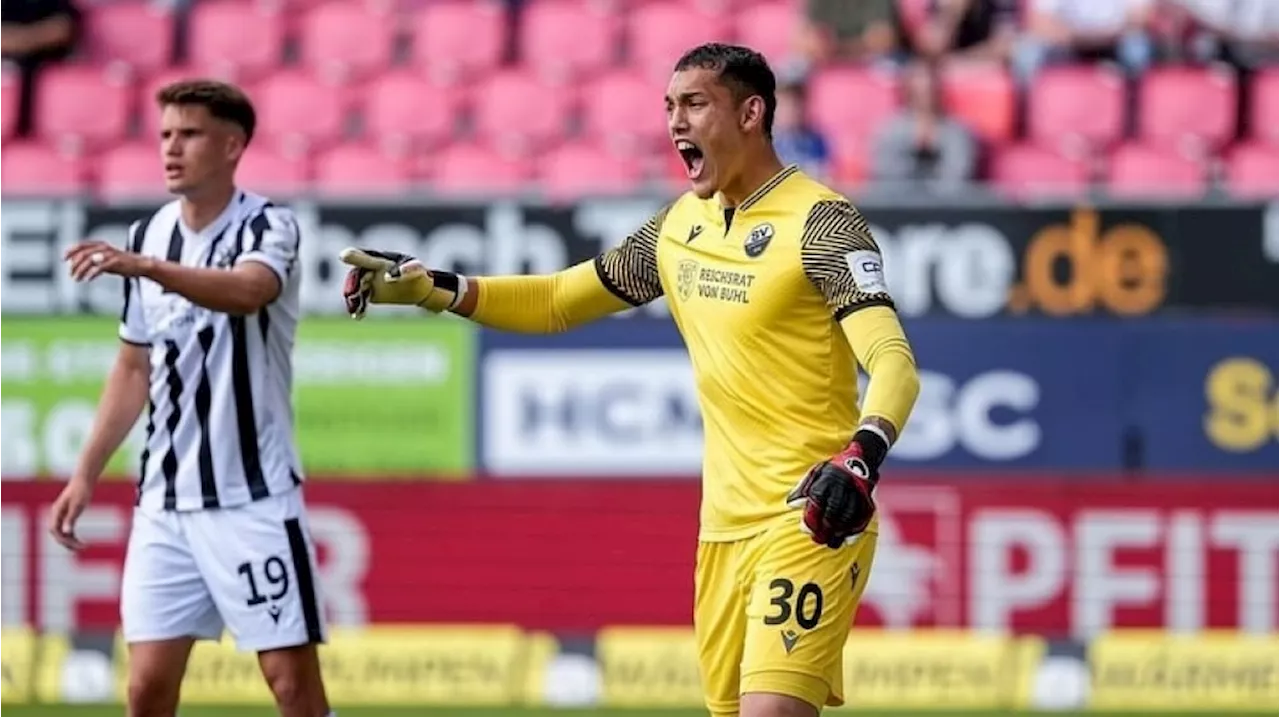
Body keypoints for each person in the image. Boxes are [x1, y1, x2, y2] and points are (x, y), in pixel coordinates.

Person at [341, 43, 921, 717]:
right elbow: (561, 298)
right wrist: (432, 289)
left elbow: (893, 361)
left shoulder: (823, 223)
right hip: (722, 532)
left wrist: (860, 458)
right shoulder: (680, 226)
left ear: (751, 113)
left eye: (695, 104)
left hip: (813, 512)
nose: (676, 122)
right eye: (670, 106)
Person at [50, 79, 333, 717]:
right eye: (166, 136)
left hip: (252, 498)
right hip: (165, 504)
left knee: (293, 687)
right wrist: (84, 474)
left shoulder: (269, 225)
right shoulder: (147, 232)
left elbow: (249, 291)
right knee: (146, 689)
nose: (171, 149)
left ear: (232, 146)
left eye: (190, 135)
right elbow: (131, 366)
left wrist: (149, 269)